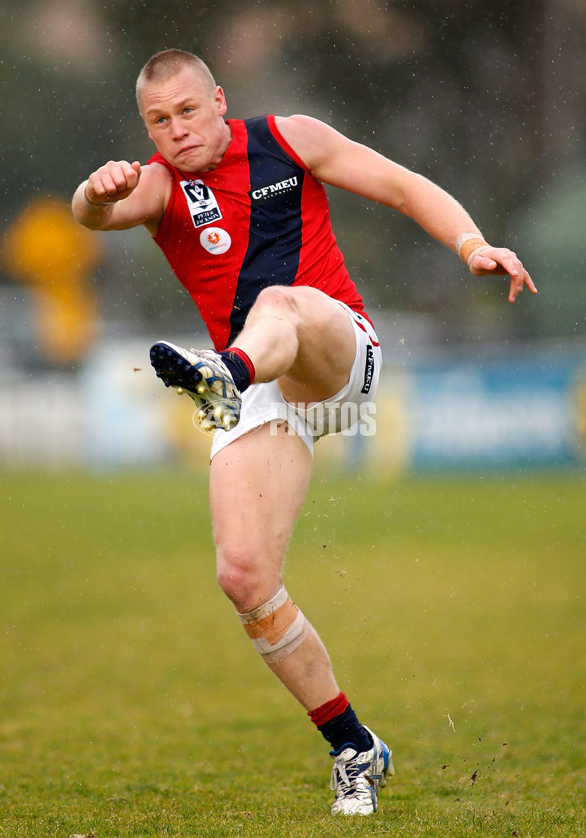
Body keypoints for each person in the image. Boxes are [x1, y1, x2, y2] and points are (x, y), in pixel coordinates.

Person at [72, 48, 536, 816]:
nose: (176, 132)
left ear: (219, 100)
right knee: (244, 577)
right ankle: (355, 746)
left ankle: (224, 377)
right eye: (158, 121)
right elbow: (93, 217)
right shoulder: (158, 185)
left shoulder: (290, 139)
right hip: (257, 386)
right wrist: (93, 195)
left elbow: (402, 185)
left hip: (333, 353)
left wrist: (471, 246)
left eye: (188, 111)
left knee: (281, 302)